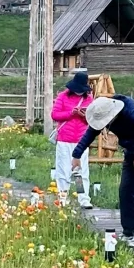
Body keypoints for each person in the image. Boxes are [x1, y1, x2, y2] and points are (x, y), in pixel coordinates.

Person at [72, 94, 134, 245]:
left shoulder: (132, 112)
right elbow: (90, 132)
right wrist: (76, 155)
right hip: (131, 151)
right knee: (125, 191)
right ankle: (128, 232)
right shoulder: (103, 113)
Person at [51, 69, 93, 206]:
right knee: (63, 170)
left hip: (81, 140)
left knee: (81, 172)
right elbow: (55, 115)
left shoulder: (89, 99)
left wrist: (84, 115)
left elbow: (93, 120)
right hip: (64, 139)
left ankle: (83, 198)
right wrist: (71, 113)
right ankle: (63, 197)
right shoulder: (62, 96)